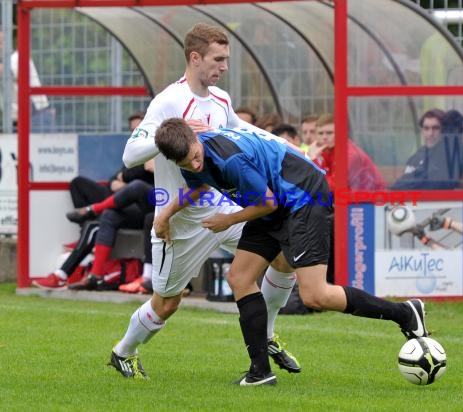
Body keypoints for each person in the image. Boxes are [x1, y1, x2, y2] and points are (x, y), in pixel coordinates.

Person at [154, 119, 430, 386]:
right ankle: (260, 373)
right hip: (273, 201)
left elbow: (268, 204)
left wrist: (228, 220)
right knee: (239, 278)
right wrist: (165, 214)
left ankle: (405, 312)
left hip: (303, 197)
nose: (194, 164)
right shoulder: (187, 155)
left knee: (315, 295)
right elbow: (199, 186)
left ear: (195, 140)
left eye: (195, 156)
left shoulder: (230, 158)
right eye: (186, 163)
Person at [109, 22, 300, 381]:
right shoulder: (169, 101)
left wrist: (280, 143)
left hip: (222, 207)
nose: (224, 67)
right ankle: (124, 351)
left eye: (226, 59)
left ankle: (268, 334)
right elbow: (130, 154)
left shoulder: (222, 100)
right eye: (218, 59)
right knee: (168, 301)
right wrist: (175, 135)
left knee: (282, 256)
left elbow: (240, 131)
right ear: (195, 58)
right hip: (178, 218)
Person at [32, 112, 152, 290]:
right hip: (128, 204)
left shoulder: (158, 146)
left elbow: (142, 171)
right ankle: (85, 275)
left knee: (136, 188)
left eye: (139, 130)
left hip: (155, 204)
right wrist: (122, 180)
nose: (136, 134)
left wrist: (126, 178)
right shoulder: (135, 152)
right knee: (100, 206)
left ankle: (93, 210)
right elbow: (114, 179)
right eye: (133, 131)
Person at [391, 109, 463, 190]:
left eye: (435, 128)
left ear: (443, 130)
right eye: (426, 128)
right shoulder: (418, 154)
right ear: (422, 131)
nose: (430, 133)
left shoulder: (446, 154)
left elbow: (434, 181)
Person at [313, 113, 386, 191]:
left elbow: (332, 187)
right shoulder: (325, 151)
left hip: (370, 199)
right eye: (320, 133)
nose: (324, 137)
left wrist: (313, 160)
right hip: (353, 198)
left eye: (329, 133)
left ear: (340, 133)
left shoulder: (349, 154)